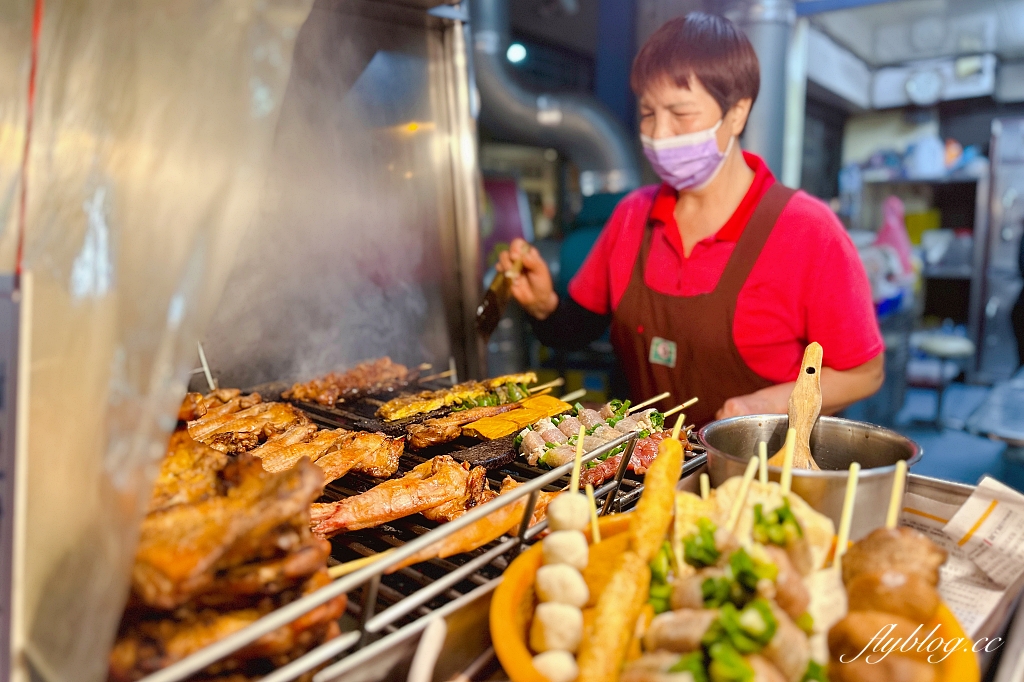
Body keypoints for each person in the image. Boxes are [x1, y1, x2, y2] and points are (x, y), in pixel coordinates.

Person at [498, 12, 884, 427]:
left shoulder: (808, 230)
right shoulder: (632, 216)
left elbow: (864, 373)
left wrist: (763, 407)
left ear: (736, 113)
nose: (660, 134)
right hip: (639, 475)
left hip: (756, 473)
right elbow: (581, 327)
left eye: (680, 114)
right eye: (648, 114)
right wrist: (544, 306)